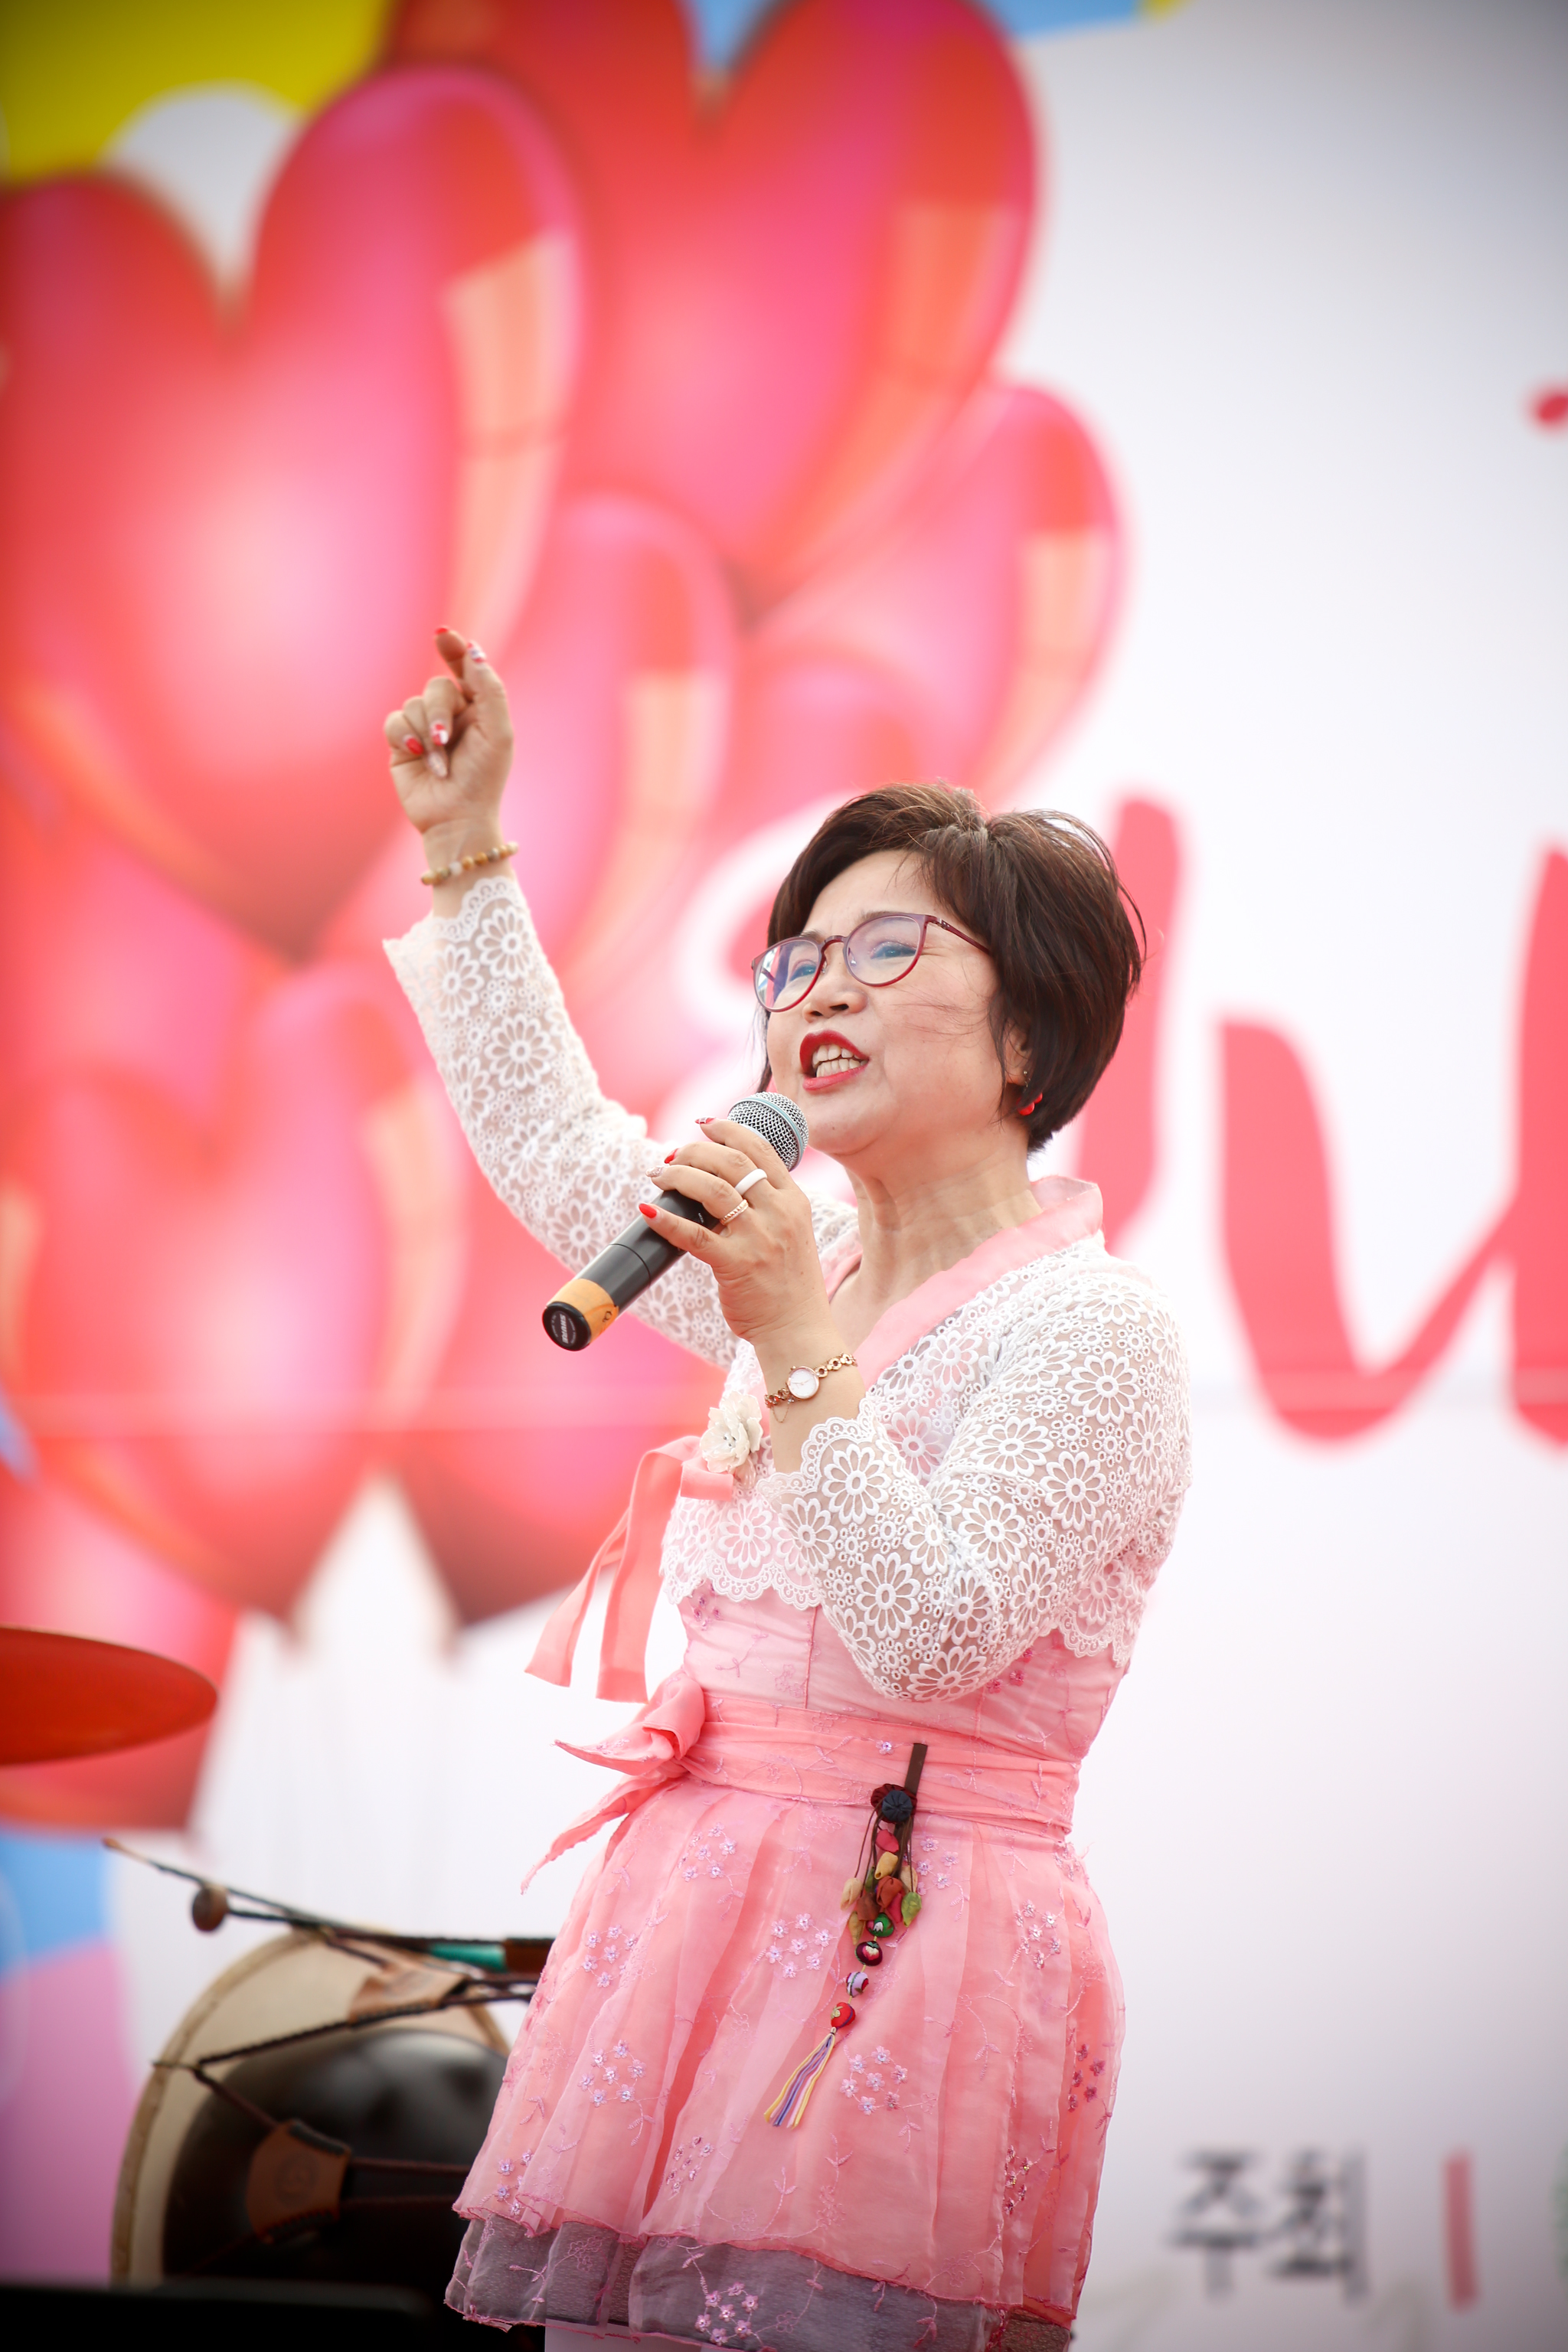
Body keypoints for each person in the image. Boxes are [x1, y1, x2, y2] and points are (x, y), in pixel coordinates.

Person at [384, 630, 1191, 2351]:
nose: (821, 991)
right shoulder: (796, 1263)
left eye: (890, 950)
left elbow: (931, 1634)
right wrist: (464, 845)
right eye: (797, 958)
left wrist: (794, 1341)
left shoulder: (1091, 1330)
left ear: (1033, 1036)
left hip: (908, 1939)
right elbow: (558, 1145)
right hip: (689, 1906)